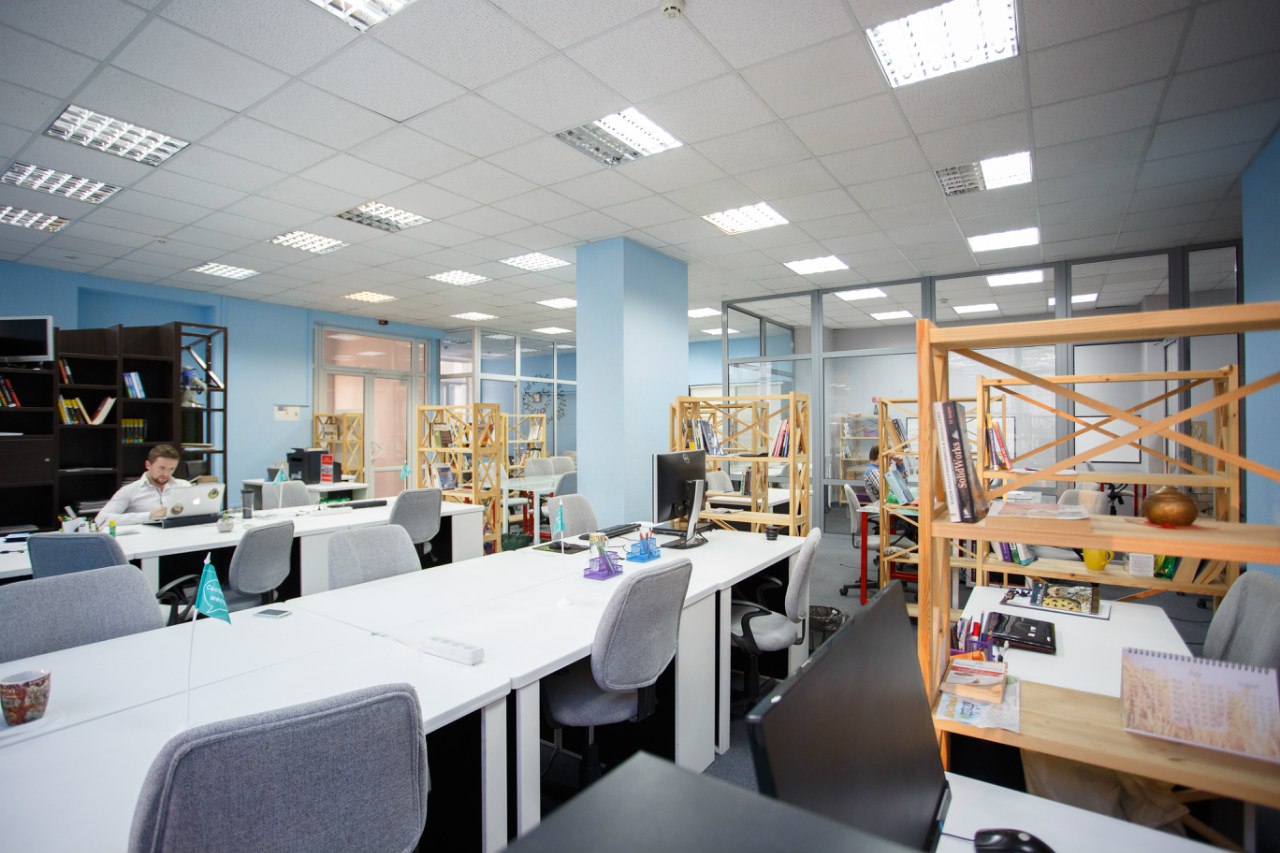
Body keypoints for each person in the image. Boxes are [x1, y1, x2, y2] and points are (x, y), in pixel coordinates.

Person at [95, 444, 190, 526]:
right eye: (161, 468)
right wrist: (148, 516)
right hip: (145, 539)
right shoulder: (130, 490)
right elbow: (101, 520)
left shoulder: (184, 486)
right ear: (148, 465)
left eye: (171, 469)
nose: (166, 474)